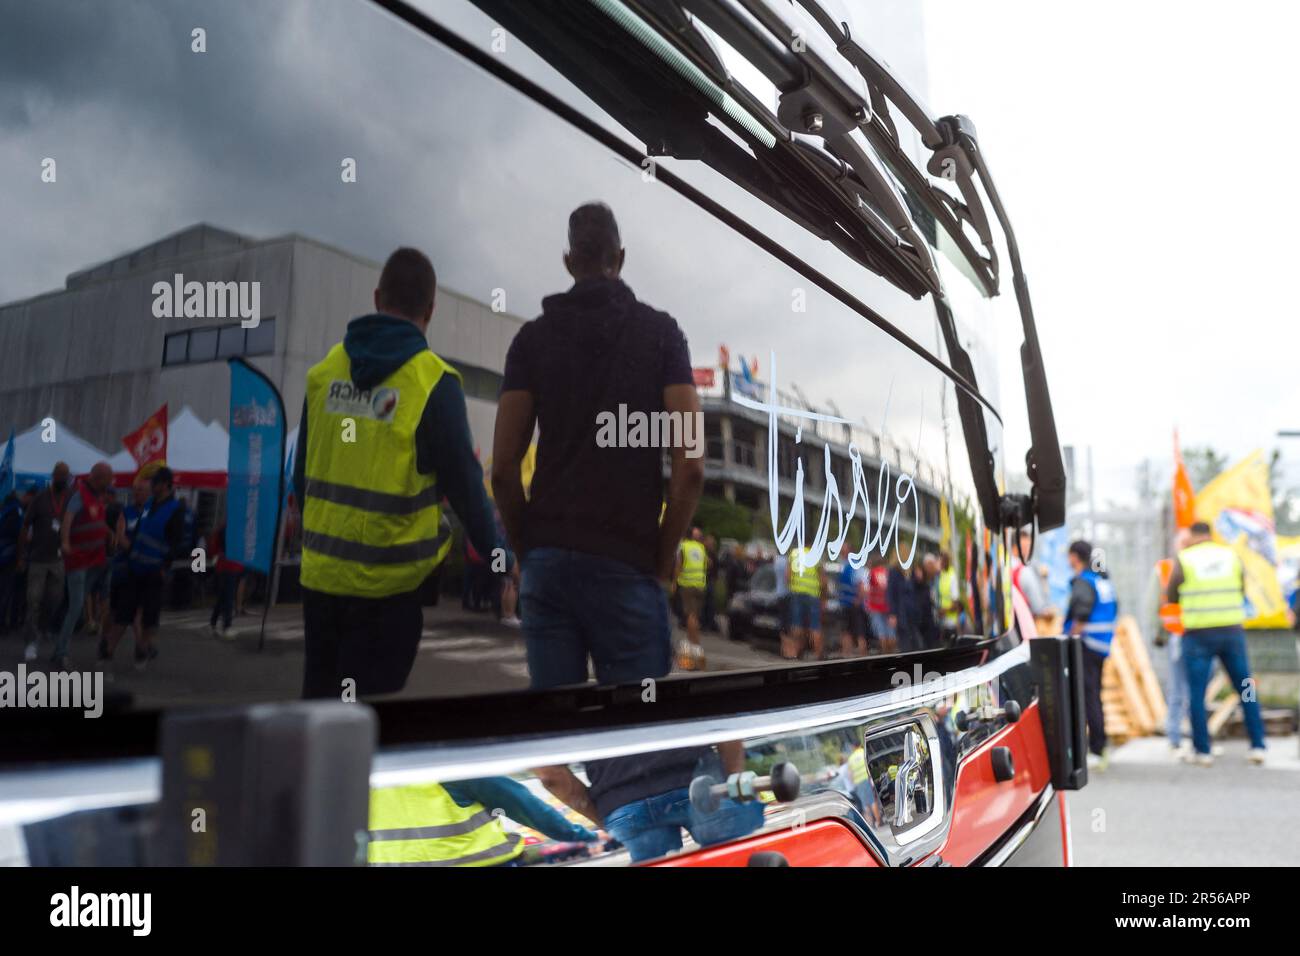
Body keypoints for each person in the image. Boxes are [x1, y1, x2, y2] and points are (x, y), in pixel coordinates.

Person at [492, 202, 702, 688]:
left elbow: (502, 470)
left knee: (559, 724)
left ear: (569, 261)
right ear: (620, 257)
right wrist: (661, 560)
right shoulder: (662, 335)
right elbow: (690, 466)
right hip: (628, 563)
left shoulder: (531, 340)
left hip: (549, 564)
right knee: (634, 729)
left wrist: (530, 552)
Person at [294, 247, 500, 699]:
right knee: (371, 716)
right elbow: (467, 490)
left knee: (321, 711)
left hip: (321, 583)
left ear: (376, 297)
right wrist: (503, 558)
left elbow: (300, 477)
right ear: (431, 310)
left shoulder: (324, 374)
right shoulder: (433, 383)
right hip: (389, 591)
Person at [1166, 521, 1267, 766]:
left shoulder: (1185, 558)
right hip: (1232, 631)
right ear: (1210, 535)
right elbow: (1241, 589)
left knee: (1197, 693)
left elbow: (1171, 596)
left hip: (1198, 634)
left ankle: (1203, 750)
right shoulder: (1230, 556)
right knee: (1246, 687)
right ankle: (1258, 745)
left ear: (1192, 536)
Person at [100, 467, 188, 669]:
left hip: (154, 570)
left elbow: (177, 542)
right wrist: (131, 550)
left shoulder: (175, 509)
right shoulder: (149, 505)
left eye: (154, 483)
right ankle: (108, 651)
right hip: (135, 566)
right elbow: (139, 531)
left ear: (164, 485)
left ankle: (142, 649)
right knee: (123, 611)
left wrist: (165, 566)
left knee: (148, 615)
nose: (151, 487)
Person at [52, 462, 114, 669]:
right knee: (76, 607)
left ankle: (58, 644)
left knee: (76, 607)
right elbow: (67, 521)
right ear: (99, 478)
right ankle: (61, 652)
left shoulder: (96, 496)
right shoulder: (80, 496)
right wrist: (65, 542)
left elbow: (96, 520)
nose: (110, 483)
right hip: (78, 560)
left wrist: (108, 532)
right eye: (108, 479)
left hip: (93, 560)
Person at [1063, 539, 1117, 769]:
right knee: (1093, 695)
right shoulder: (1101, 580)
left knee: (1086, 697)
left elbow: (1081, 614)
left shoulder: (1084, 581)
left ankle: (1095, 748)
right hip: (1101, 645)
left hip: (1085, 645)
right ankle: (1098, 746)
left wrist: (1068, 640)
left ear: (1075, 557)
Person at [18, 462, 73, 663]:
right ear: (53, 475)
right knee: (33, 600)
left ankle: (42, 629)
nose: (63, 479)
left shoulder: (70, 499)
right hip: (38, 559)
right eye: (60, 475)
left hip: (58, 559)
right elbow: (25, 526)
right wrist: (21, 555)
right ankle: (31, 641)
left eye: (65, 476)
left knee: (54, 600)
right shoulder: (40, 498)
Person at [674, 527, 709, 671]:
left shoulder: (683, 546)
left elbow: (678, 565)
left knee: (690, 616)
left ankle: (695, 645)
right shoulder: (701, 547)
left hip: (687, 584)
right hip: (700, 584)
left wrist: (674, 582)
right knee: (695, 616)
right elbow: (707, 564)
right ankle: (692, 644)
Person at [783, 544, 824, 660]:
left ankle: (795, 653)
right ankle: (818, 656)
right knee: (815, 626)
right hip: (813, 594)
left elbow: (787, 576)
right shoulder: (816, 555)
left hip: (797, 592)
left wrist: (792, 587)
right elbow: (822, 580)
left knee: (797, 625)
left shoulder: (794, 553)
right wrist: (823, 595)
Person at [206, 520, 243, 639]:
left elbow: (213, 548)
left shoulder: (222, 528)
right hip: (231, 565)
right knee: (228, 596)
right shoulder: (235, 529)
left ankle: (213, 623)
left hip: (224, 565)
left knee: (223, 596)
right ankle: (226, 626)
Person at [0, 490, 23, 637]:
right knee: (6, 591)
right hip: (8, 556)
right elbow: (19, 533)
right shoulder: (17, 511)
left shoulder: (3, 511)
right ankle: (2, 624)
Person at [836, 558, 868, 657]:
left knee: (849, 631)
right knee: (856, 631)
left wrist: (858, 599)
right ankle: (857, 655)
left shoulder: (845, 567)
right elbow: (862, 586)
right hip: (851, 604)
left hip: (849, 604)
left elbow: (861, 586)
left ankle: (848, 654)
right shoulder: (855, 567)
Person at [865, 554, 893, 653]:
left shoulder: (872, 573)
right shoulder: (887, 572)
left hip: (875, 606)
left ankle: (885, 652)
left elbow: (868, 589)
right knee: (890, 631)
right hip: (887, 605)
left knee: (881, 631)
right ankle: (891, 652)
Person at [935, 551, 962, 642]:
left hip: (952, 623)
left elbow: (956, 605)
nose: (940, 563)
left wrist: (943, 611)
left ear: (946, 561)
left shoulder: (952, 576)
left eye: (942, 561)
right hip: (943, 622)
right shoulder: (942, 574)